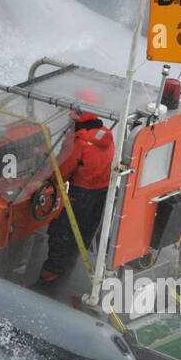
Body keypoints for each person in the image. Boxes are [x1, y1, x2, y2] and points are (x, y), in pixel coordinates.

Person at [37, 112, 114, 284]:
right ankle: (66, 278)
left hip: (81, 196)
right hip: (102, 196)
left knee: (61, 235)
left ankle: (47, 281)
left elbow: (60, 174)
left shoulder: (79, 142)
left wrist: (45, 174)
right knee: (82, 239)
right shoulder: (107, 136)